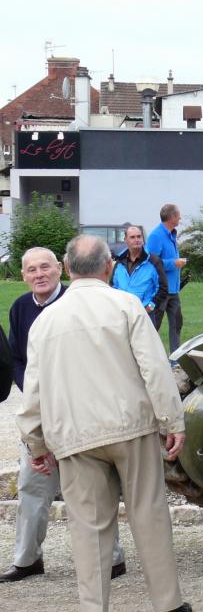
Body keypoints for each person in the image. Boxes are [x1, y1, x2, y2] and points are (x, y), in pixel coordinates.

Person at [17, 236, 191, 612]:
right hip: (131, 426)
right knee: (148, 512)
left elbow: (34, 390)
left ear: (66, 266)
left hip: (75, 434)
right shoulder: (126, 305)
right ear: (108, 266)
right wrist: (172, 420)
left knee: (87, 523)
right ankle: (167, 605)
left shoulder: (46, 321)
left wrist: (35, 442)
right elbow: (155, 370)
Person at [2, 247, 126, 584]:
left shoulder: (77, 303)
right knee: (32, 484)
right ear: (24, 275)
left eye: (45, 267)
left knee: (91, 487)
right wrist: (32, 394)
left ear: (61, 269)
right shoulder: (20, 308)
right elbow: (17, 358)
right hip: (40, 412)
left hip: (79, 412)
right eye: (31, 269)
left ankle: (111, 559)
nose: (39, 274)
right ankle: (27, 559)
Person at [146, 204, 186, 351]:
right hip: (160, 290)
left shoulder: (171, 234)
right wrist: (174, 263)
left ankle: (175, 358)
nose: (180, 218)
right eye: (178, 215)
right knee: (154, 325)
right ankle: (147, 356)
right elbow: (151, 262)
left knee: (177, 323)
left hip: (173, 290)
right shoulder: (156, 236)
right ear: (172, 217)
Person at [111, 224, 169, 317]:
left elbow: (163, 288)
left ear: (143, 238)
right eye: (132, 237)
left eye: (139, 236)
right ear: (125, 240)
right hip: (123, 314)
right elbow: (113, 286)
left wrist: (150, 307)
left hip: (145, 314)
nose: (136, 240)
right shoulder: (119, 261)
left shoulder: (154, 261)